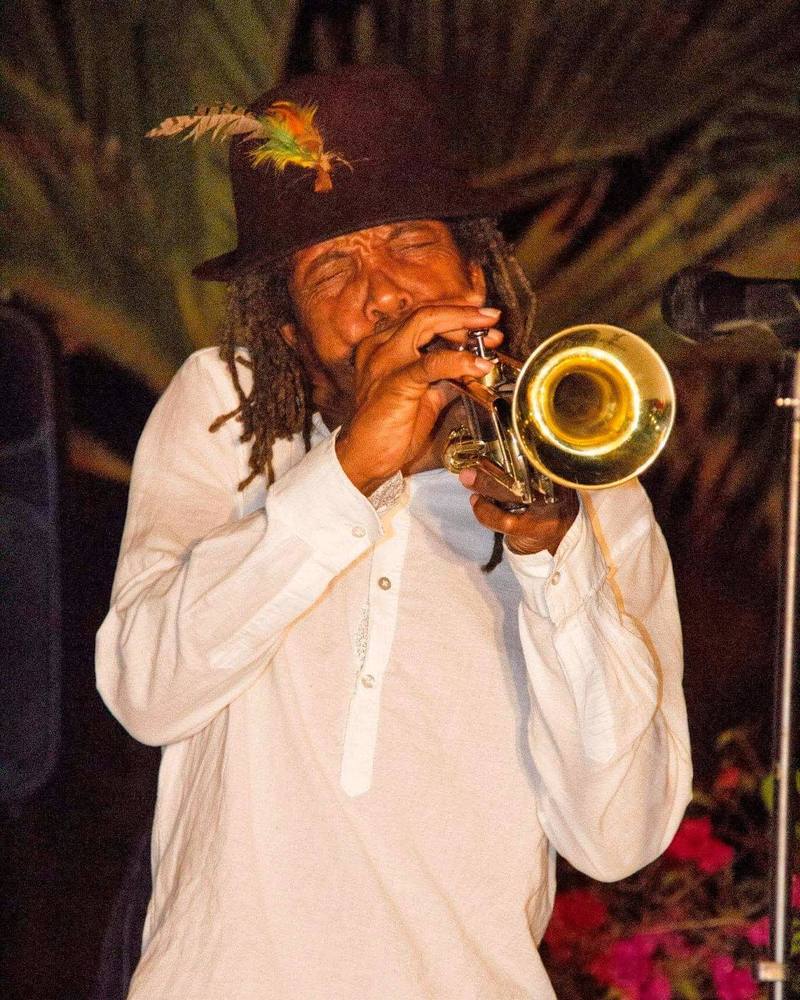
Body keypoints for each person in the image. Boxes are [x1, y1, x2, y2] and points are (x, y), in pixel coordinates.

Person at [96, 65, 692, 999]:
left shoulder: (591, 488)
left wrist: (554, 558)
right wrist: (345, 474)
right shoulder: (227, 411)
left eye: (410, 242)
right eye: (331, 268)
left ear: (476, 277)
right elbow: (146, 691)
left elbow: (618, 837)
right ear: (288, 334)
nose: (383, 293)